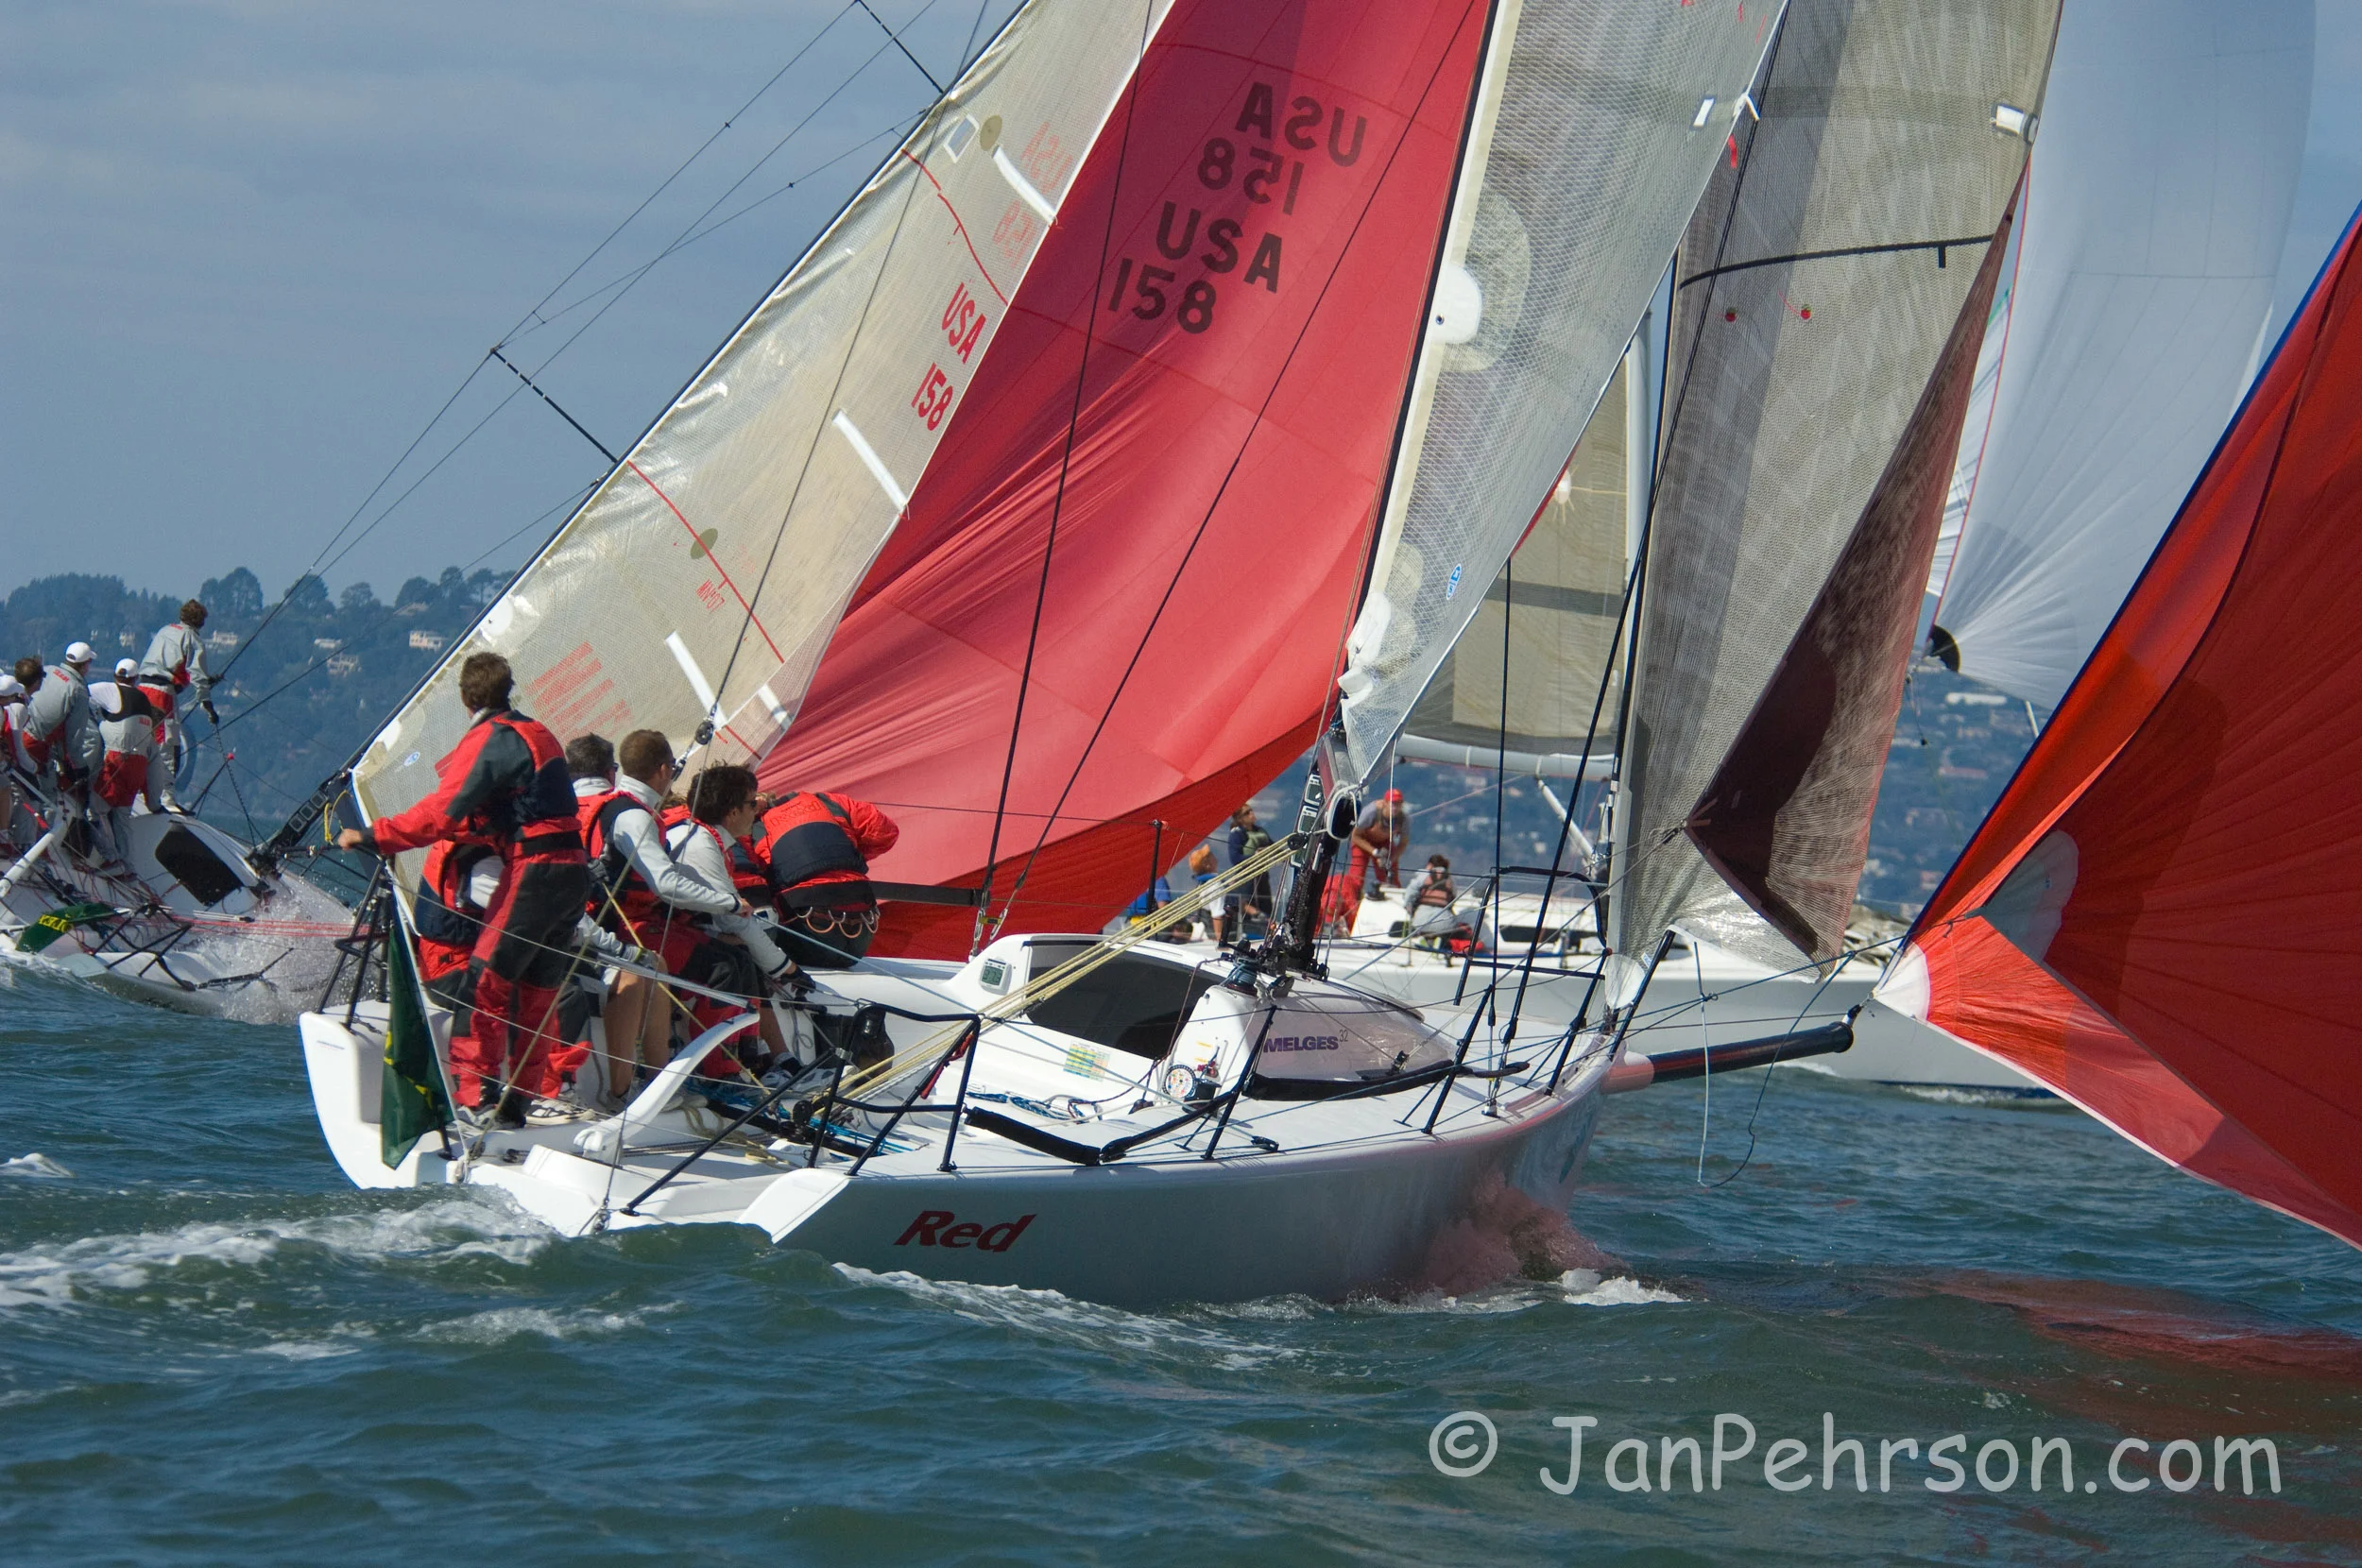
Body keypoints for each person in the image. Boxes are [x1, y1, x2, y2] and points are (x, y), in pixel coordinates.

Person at [336, 651, 590, 1127]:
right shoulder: (541, 733)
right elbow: (527, 804)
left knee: (484, 986)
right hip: (574, 872)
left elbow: (441, 814)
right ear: (508, 688)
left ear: (465, 697)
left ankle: (476, 1100)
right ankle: (518, 1104)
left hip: (535, 870)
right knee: (537, 992)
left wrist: (371, 836)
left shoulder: (489, 739)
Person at [667, 763, 802, 1070]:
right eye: (752, 803)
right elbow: (733, 919)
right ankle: (720, 1069)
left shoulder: (706, 838)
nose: (757, 809)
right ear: (732, 813)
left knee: (740, 956)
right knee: (731, 964)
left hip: (687, 931)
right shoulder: (701, 845)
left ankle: (752, 1058)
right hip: (663, 938)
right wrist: (786, 968)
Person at [753, 780, 898, 969]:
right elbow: (885, 831)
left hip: (808, 931)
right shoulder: (828, 801)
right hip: (862, 930)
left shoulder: (751, 827)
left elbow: (748, 880)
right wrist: (849, 856)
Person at [24, 644, 104, 837]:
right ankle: (39, 844)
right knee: (47, 798)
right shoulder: (78, 691)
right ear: (85, 665)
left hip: (20, 729)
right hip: (37, 744)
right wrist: (79, 769)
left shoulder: (50, 670)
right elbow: (74, 739)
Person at [138, 600, 219, 782]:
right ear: (200, 621)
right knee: (168, 743)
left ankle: (140, 785)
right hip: (162, 694)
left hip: (142, 688)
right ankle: (166, 795)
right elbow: (197, 676)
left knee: (142, 738)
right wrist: (209, 708)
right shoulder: (194, 639)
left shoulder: (165, 630)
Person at [89, 677, 163, 867]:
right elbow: (154, 776)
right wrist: (154, 804)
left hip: (116, 765)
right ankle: (128, 866)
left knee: (95, 811)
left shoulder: (109, 721)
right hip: (135, 773)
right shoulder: (150, 743)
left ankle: (111, 857)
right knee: (122, 817)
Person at [1225, 804, 1275, 933]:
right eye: (1247, 813)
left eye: (1251, 811)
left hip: (1262, 875)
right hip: (1247, 877)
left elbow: (1274, 847)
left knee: (1266, 906)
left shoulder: (1260, 831)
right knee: (1245, 904)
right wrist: (1254, 856)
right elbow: (1235, 858)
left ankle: (1267, 930)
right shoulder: (1237, 834)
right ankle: (1251, 928)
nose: (1252, 814)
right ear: (1240, 818)